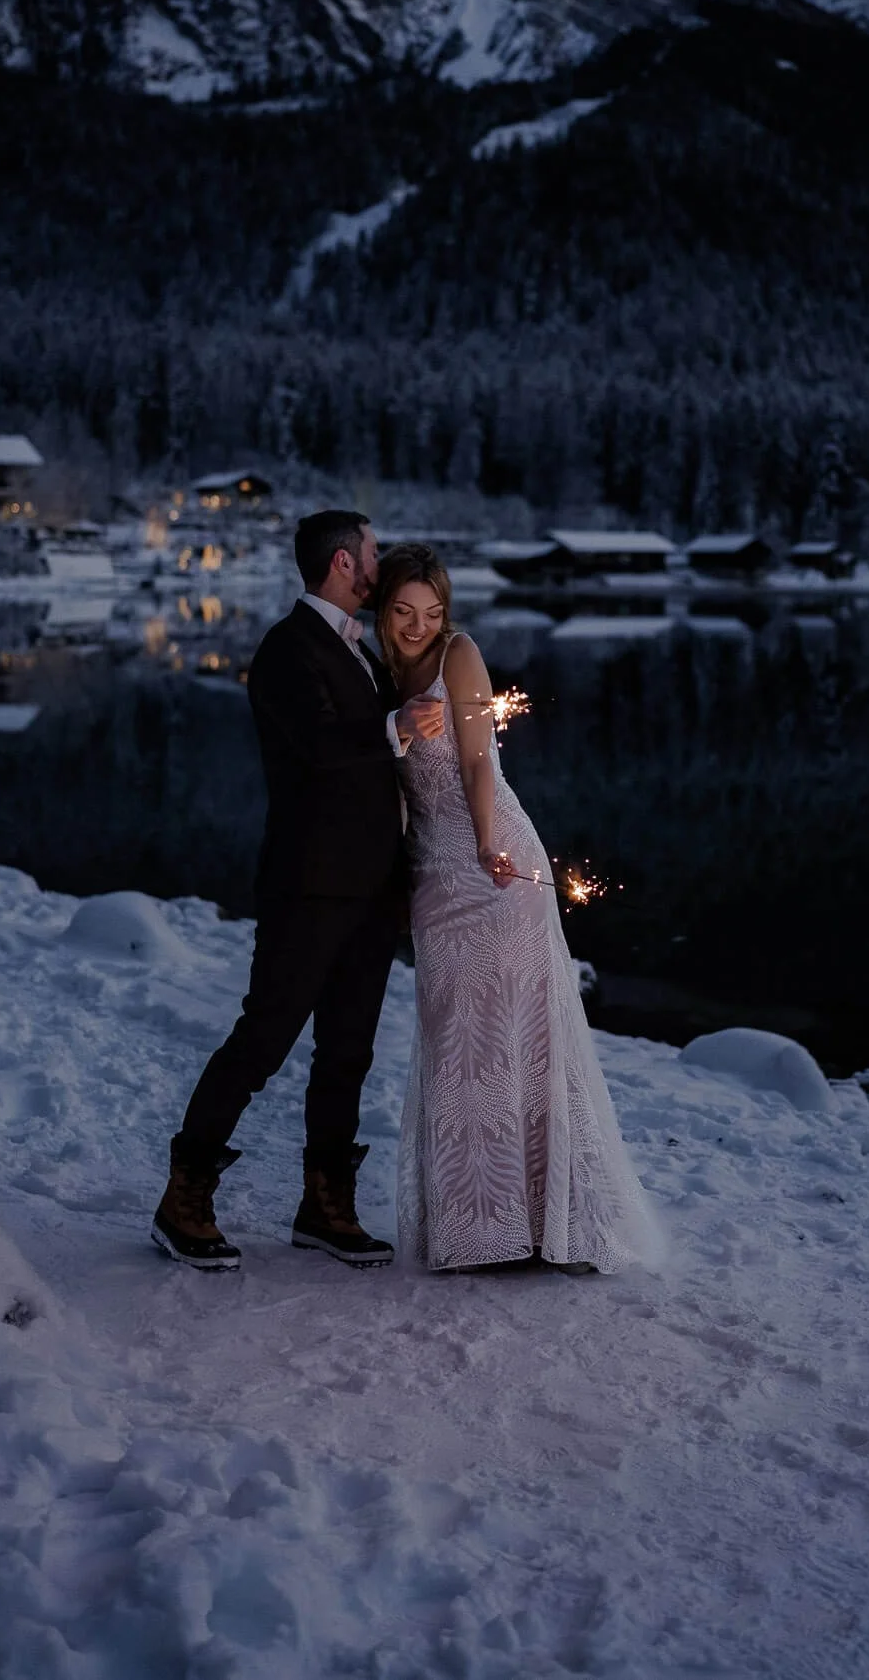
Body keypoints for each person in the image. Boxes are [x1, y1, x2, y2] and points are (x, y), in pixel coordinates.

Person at [151, 511, 443, 1271]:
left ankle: (325, 1208)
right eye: (371, 550)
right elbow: (319, 747)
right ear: (344, 562)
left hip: (373, 888)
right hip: (308, 886)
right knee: (263, 1040)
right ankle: (183, 1199)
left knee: (348, 1052)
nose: (378, 560)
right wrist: (396, 726)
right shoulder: (286, 649)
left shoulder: (362, 651)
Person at [376, 543, 660, 1275]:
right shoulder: (379, 670)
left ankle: (549, 1228)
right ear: (384, 610)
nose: (417, 626)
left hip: (492, 858)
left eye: (431, 612)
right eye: (404, 612)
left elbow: (477, 761)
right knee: (457, 1043)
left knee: (523, 1038)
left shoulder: (459, 656)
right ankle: (476, 1231)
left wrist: (484, 844)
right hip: (431, 872)